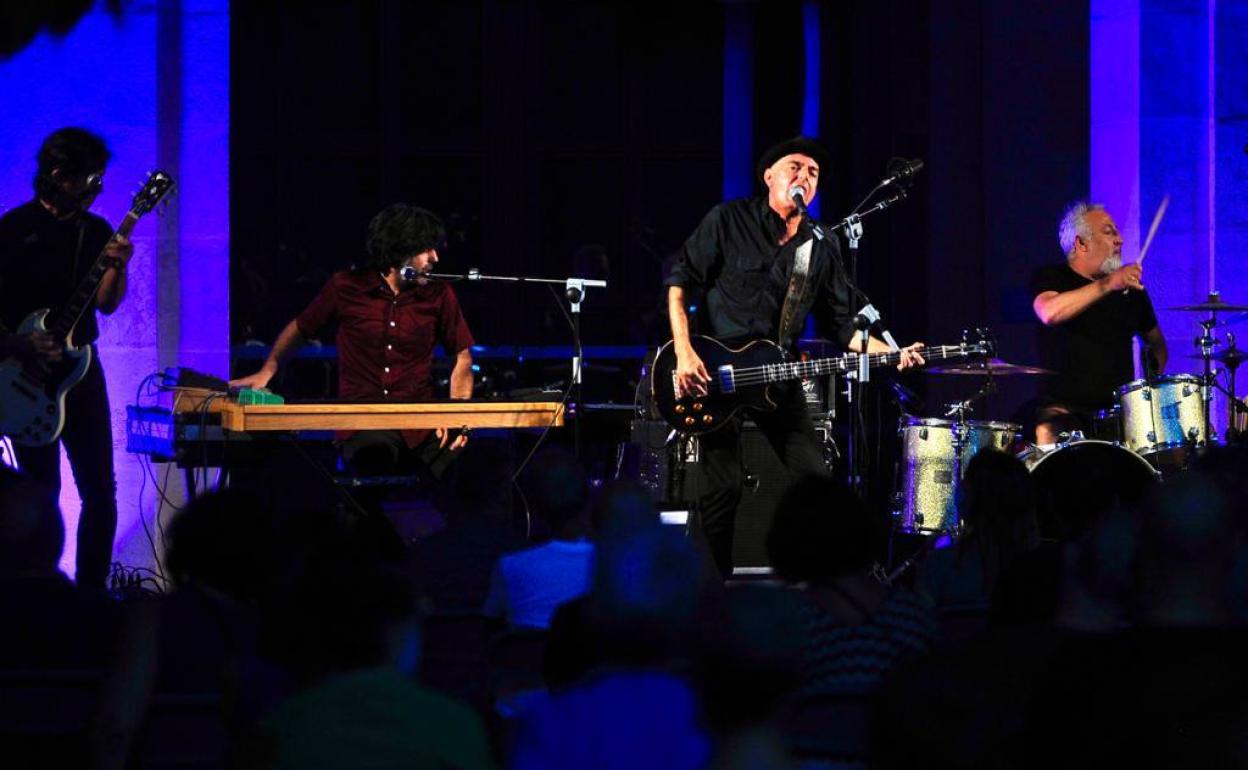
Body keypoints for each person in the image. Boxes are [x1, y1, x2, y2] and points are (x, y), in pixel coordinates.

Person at [664, 136, 926, 577]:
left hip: (776, 375)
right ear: (769, 176)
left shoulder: (819, 245)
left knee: (817, 481)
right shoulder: (728, 220)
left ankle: (820, 581)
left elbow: (843, 326)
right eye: (795, 167)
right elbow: (679, 282)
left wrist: (892, 353)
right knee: (722, 488)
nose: (803, 177)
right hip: (712, 374)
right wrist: (685, 353)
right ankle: (716, 585)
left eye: (813, 173)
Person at [230, 203, 475, 484]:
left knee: (468, 466)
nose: (435, 257)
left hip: (420, 424)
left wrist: (456, 413)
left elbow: (462, 356)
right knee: (375, 461)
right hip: (362, 423)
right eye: (425, 249)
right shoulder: (346, 287)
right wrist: (267, 370)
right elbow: (301, 327)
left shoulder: (439, 294)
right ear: (399, 249)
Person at [0, 127, 133, 590]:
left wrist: (119, 264)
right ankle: (39, 591)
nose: (97, 188)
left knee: (101, 490)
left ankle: (90, 595)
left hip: (80, 374)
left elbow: (108, 304)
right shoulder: (13, 230)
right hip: (26, 376)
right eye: (89, 178)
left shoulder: (95, 230)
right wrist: (17, 345)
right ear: (60, 176)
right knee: (42, 492)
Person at [1031, 201, 1168, 439]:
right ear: (1081, 243)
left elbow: (1157, 344)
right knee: (1048, 430)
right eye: (1109, 231)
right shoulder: (1052, 277)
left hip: (1118, 411)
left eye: (1116, 231)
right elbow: (1048, 312)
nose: (1120, 240)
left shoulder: (1132, 291)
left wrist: (1151, 382)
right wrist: (1107, 284)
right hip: (1063, 410)